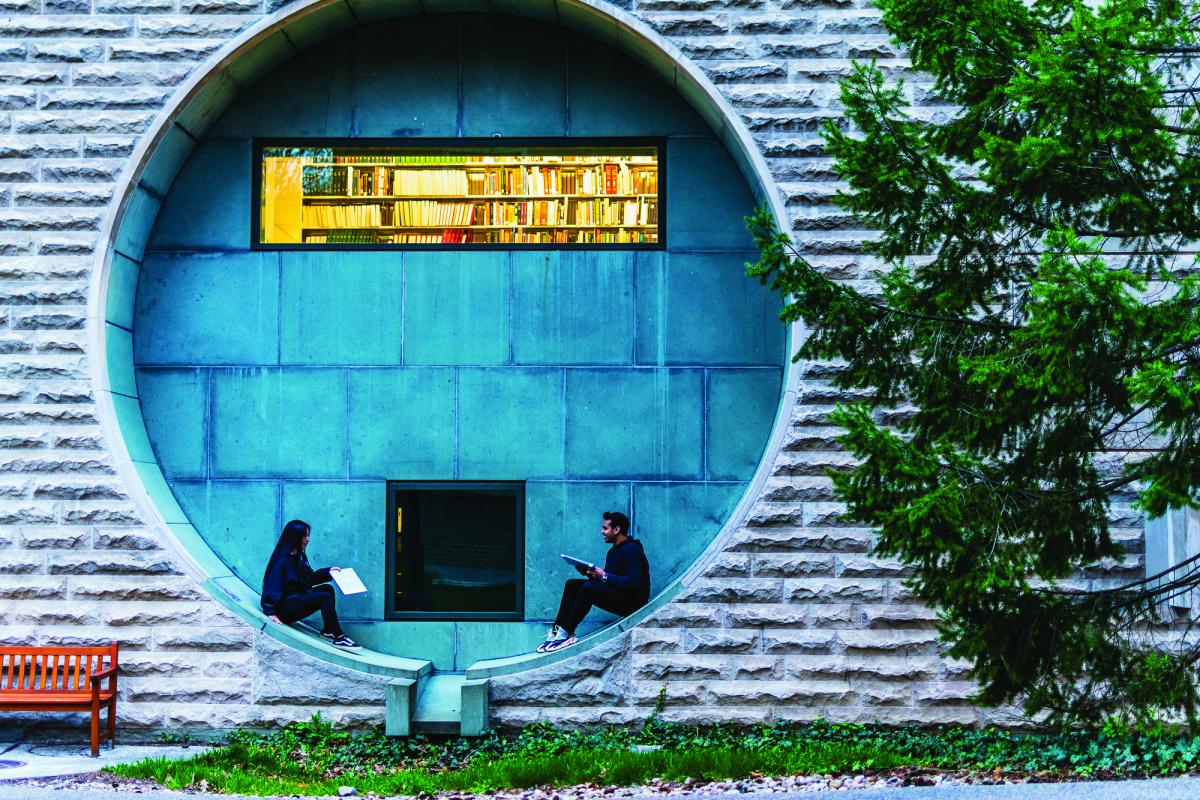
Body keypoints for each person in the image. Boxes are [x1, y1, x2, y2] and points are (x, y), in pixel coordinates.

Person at [539, 511, 650, 653]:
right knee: (572, 584)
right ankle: (557, 631)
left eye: (605, 528)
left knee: (589, 588)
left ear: (616, 530)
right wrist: (590, 574)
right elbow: (608, 582)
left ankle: (567, 632)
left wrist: (603, 576)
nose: (601, 531)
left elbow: (633, 583)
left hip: (635, 603)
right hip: (622, 596)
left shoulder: (631, 550)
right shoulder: (613, 552)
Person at [261, 519, 360, 649]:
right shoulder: (282, 562)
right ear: (295, 537)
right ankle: (339, 637)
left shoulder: (300, 556)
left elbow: (309, 579)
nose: (308, 539)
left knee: (327, 589)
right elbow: (270, 587)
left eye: (308, 535)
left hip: (297, 598)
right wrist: (270, 612)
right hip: (284, 609)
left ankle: (328, 630)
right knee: (324, 597)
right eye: (304, 536)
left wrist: (329, 572)